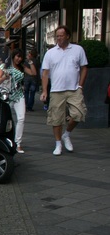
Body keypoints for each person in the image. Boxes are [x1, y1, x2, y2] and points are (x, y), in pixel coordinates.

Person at [40, 25, 88, 156]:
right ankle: (58, 144)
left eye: (61, 35)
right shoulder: (50, 53)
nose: (59, 38)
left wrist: (80, 85)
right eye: (57, 36)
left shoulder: (78, 50)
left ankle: (66, 135)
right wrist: (44, 91)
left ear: (68, 36)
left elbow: (84, 68)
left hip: (74, 89)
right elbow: (45, 73)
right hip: (56, 90)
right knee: (56, 118)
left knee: (79, 114)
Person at [0, 49, 36, 154]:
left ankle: (18, 143)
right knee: (5, 119)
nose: (19, 59)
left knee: (21, 118)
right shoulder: (5, 66)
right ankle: (3, 140)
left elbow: (33, 73)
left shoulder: (21, 67)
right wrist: (4, 77)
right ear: (13, 56)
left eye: (21, 57)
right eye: (17, 56)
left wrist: (30, 61)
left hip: (19, 95)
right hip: (7, 96)